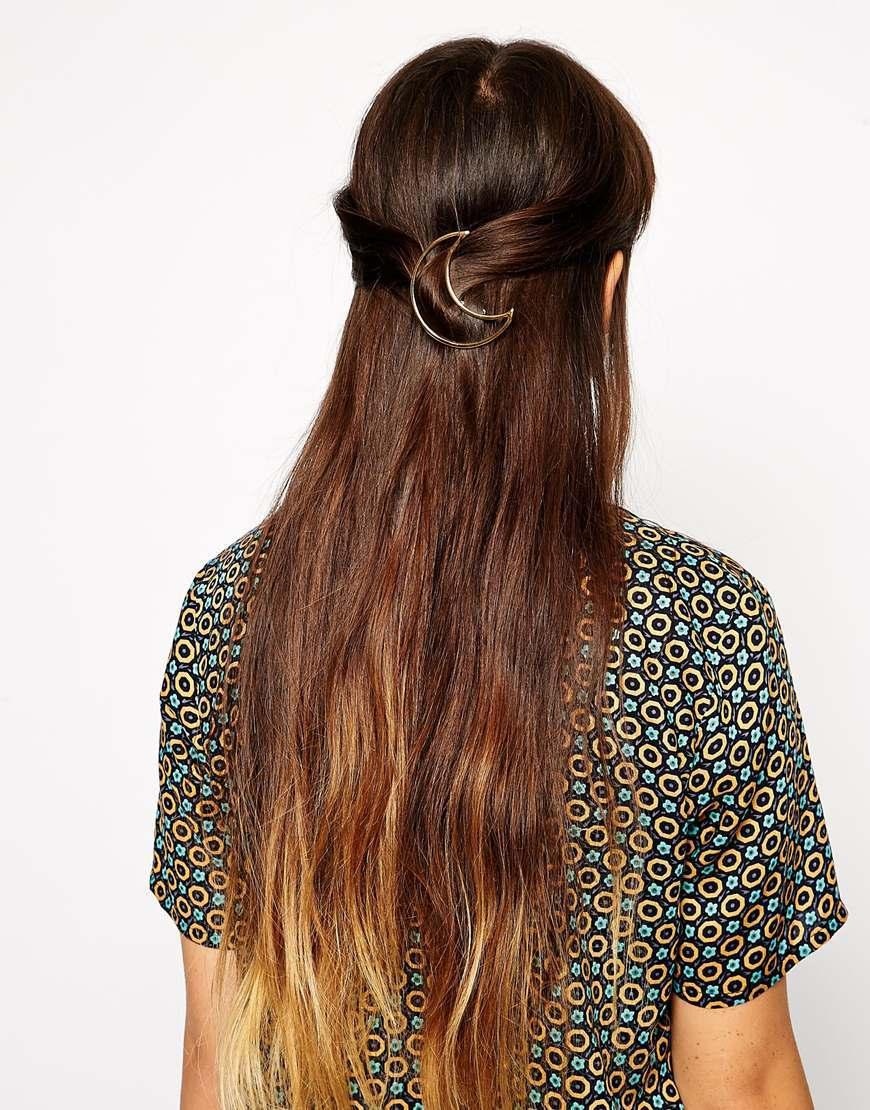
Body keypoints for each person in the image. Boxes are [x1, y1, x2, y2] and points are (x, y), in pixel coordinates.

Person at [148, 36, 848, 1110]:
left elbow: (219, 1064)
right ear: (607, 289)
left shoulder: (237, 616)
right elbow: (742, 1083)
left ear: (374, 285)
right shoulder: (706, 628)